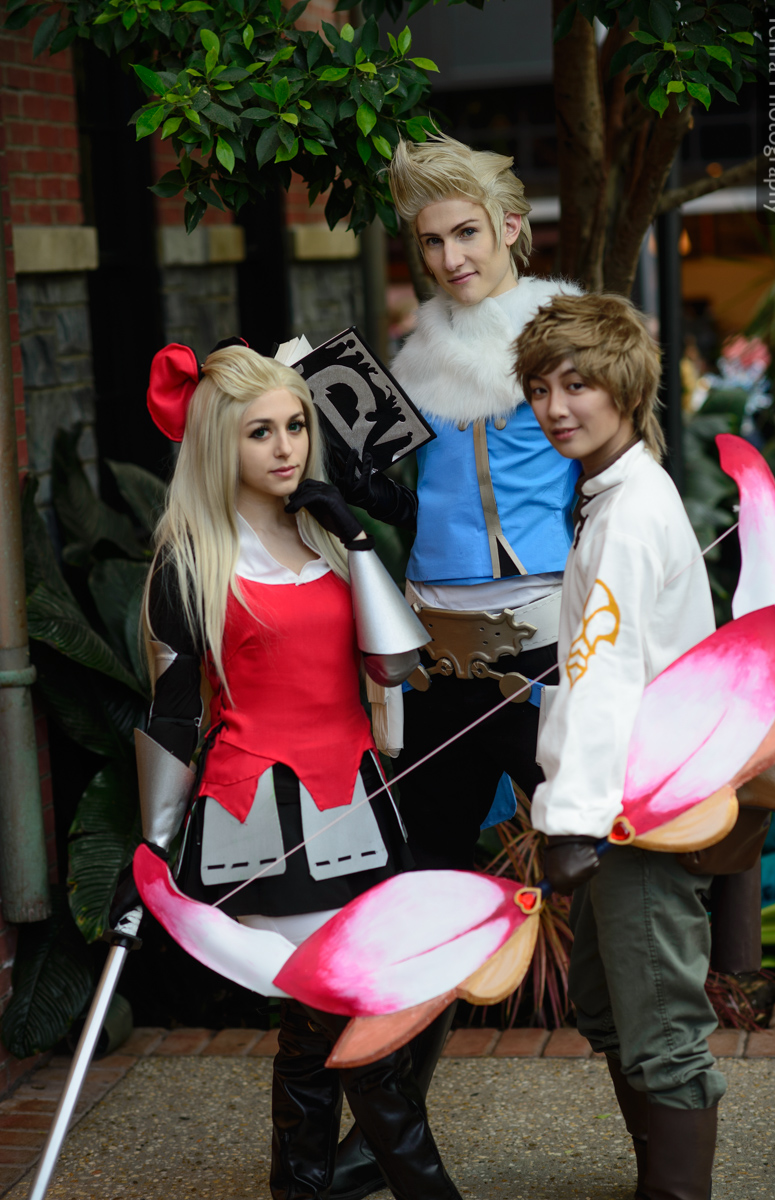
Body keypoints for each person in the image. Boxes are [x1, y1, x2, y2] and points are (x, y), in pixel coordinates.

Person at [115, 343, 464, 1200]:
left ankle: (299, 1185)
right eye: (260, 432)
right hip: (264, 815)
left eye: (296, 426)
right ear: (217, 444)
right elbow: (172, 713)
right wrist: (151, 848)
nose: (286, 448)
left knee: (318, 1028)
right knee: (359, 1023)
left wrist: (355, 536)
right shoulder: (191, 561)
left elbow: (394, 664)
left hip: (358, 799)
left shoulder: (323, 538)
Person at [330, 131, 582, 1200]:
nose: (450, 258)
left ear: (511, 228)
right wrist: (360, 494)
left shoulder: (564, 336)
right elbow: (408, 494)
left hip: (546, 645)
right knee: (421, 889)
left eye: (466, 233)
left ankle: (662, 1111)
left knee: (599, 875)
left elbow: (613, 477)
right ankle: (387, 1136)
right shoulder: (410, 354)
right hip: (438, 656)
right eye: (430, 241)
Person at [515, 293, 726, 1200]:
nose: (554, 408)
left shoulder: (629, 512)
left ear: (626, 388)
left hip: (634, 810)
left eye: (576, 385)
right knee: (608, 1007)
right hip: (621, 803)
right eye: (538, 389)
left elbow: (602, 681)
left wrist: (567, 822)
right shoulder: (613, 495)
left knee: (659, 1030)